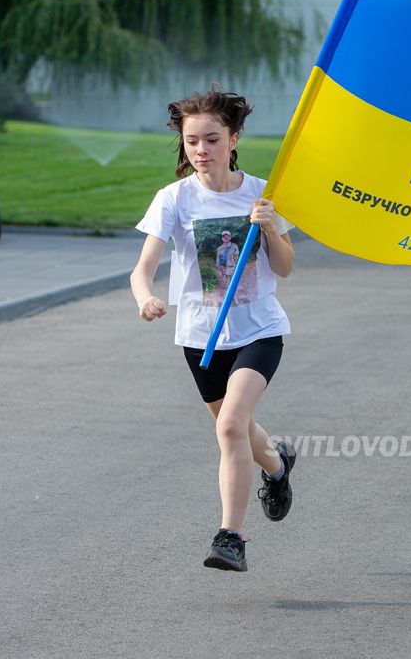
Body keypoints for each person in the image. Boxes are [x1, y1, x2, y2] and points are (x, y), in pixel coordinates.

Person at [130, 88, 297, 573]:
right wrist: (147, 298)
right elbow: (142, 270)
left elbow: (285, 268)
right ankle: (279, 465)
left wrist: (268, 227)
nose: (201, 150)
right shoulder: (174, 199)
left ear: (234, 138)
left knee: (229, 426)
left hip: (259, 330)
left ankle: (232, 537)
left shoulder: (263, 192)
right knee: (239, 429)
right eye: (192, 141)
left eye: (212, 139)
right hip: (200, 338)